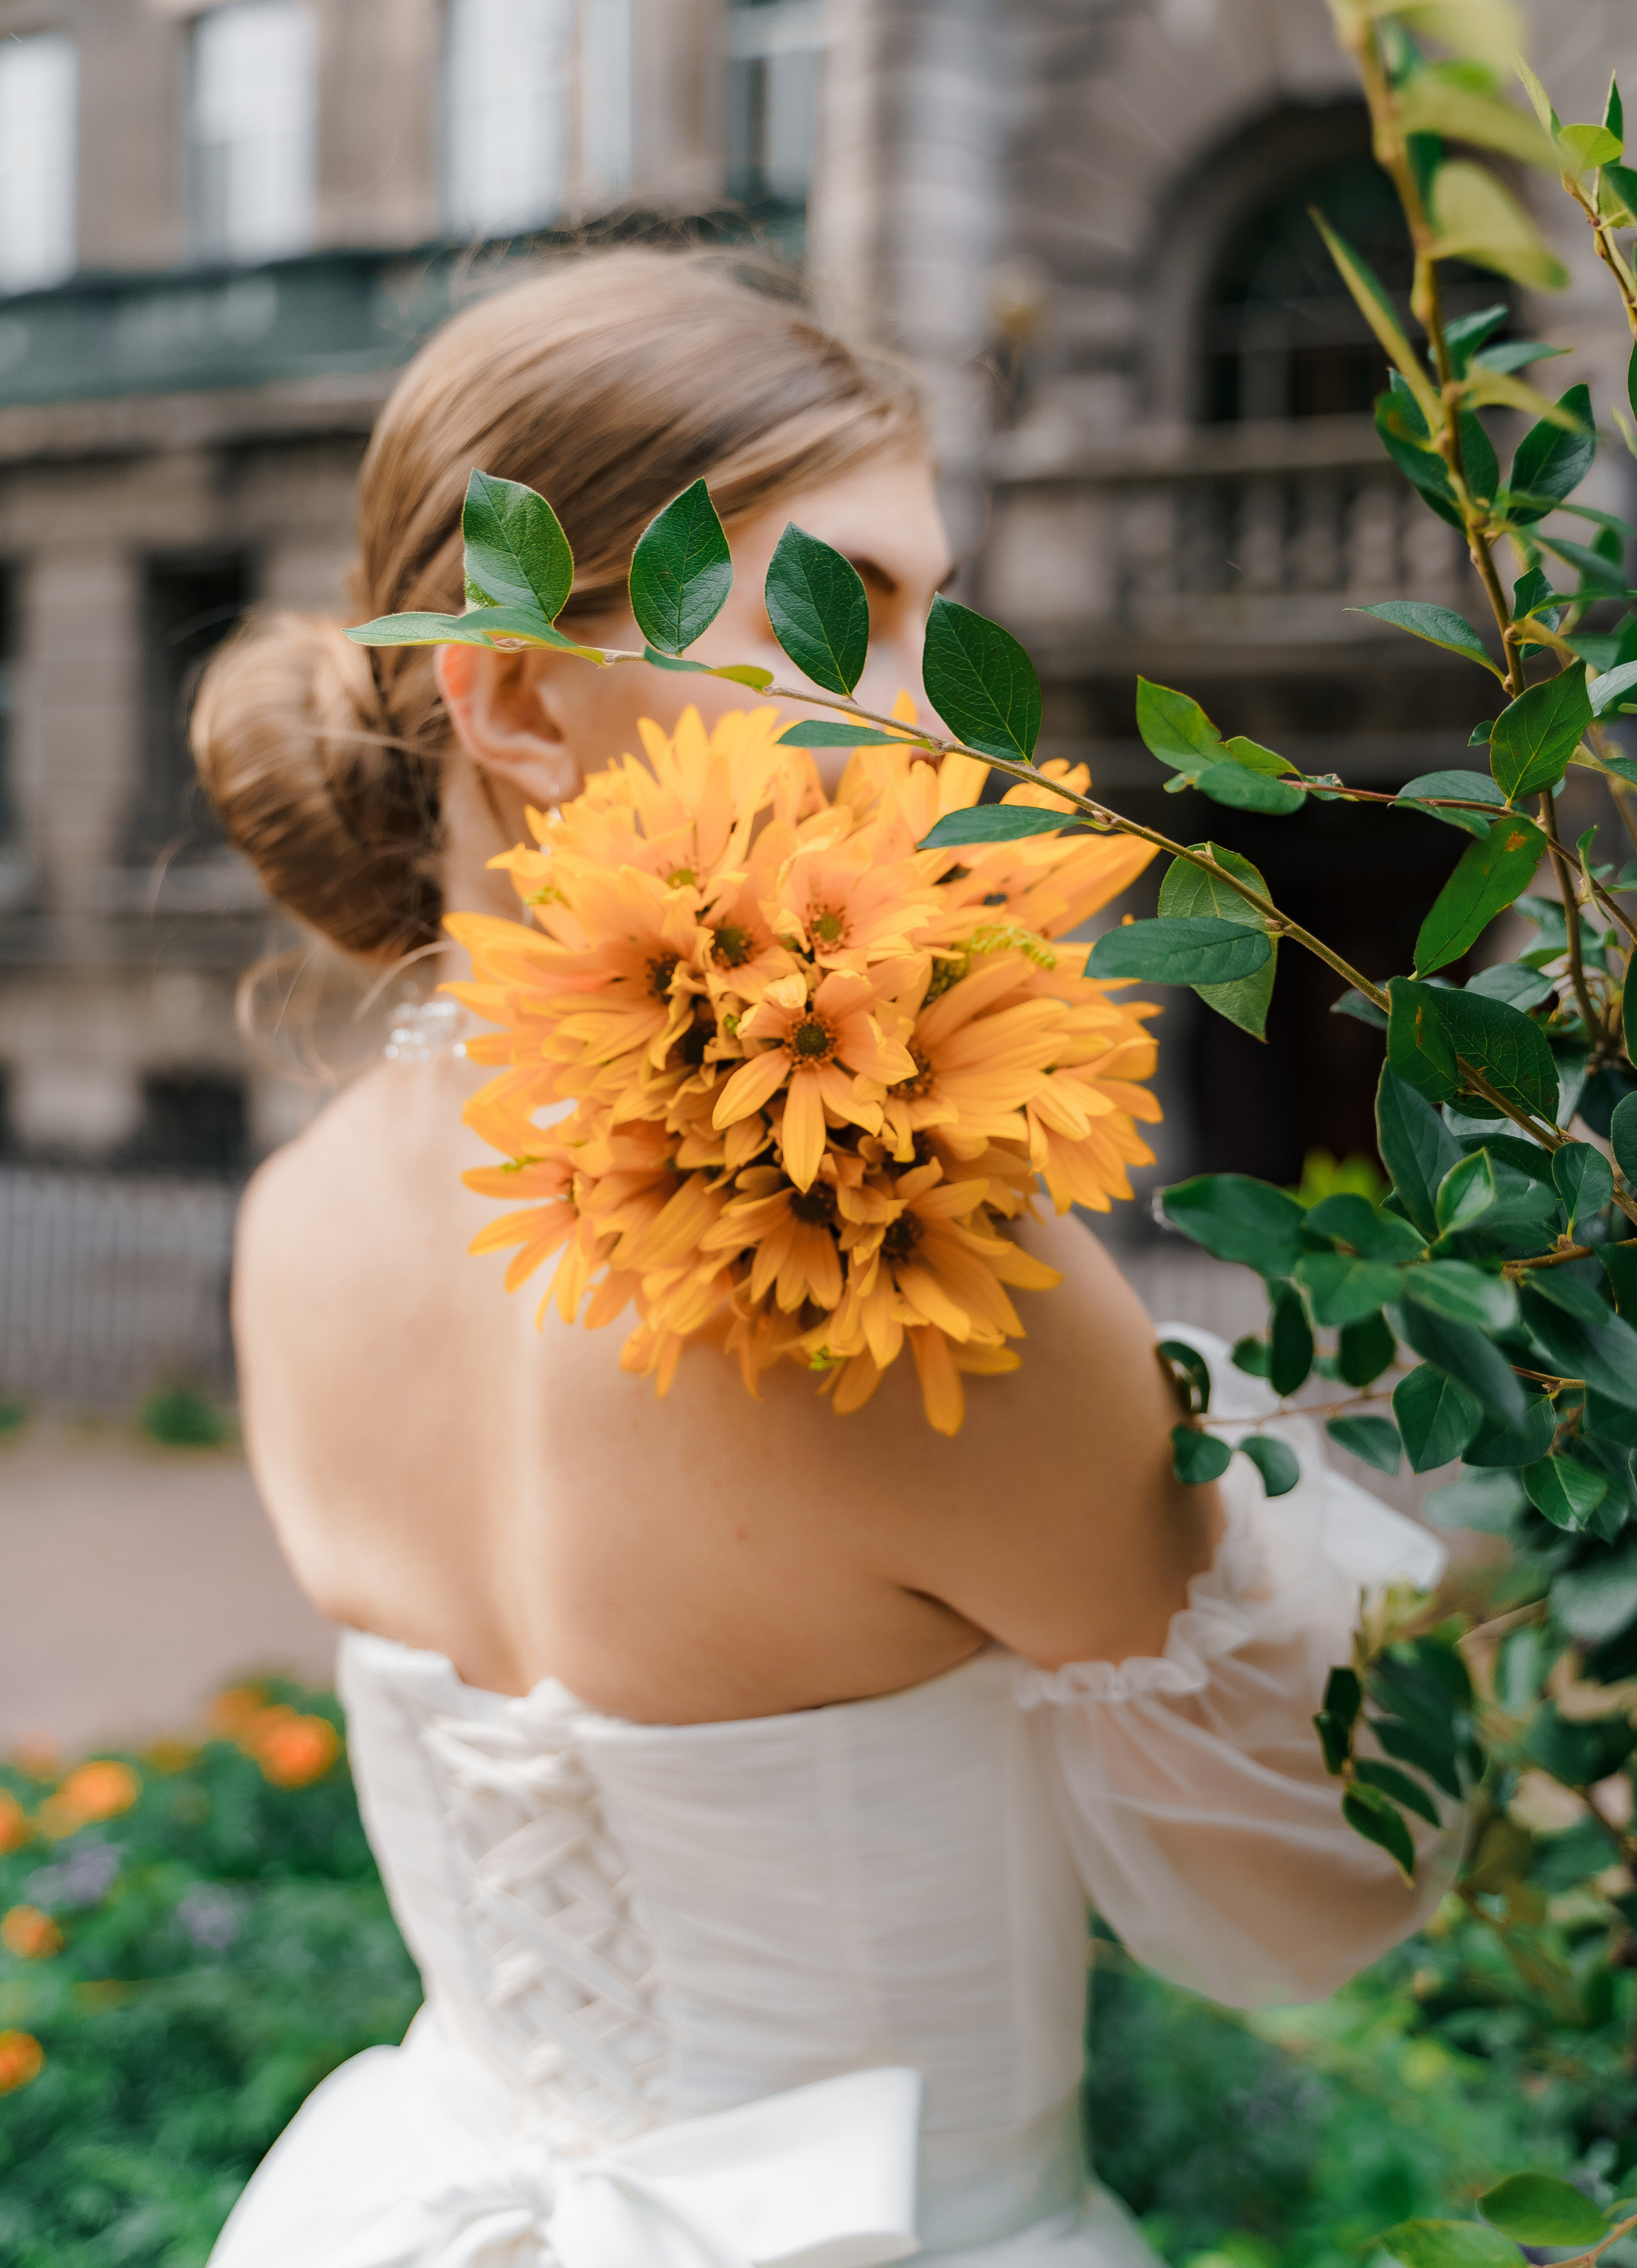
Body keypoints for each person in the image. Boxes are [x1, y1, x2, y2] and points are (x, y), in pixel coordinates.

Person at [192, 247, 1454, 2268]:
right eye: (845, 609)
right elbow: (1317, 1886)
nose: (952, 720)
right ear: (517, 693)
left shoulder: (282, 1229)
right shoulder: (898, 1257)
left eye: (943, 608)